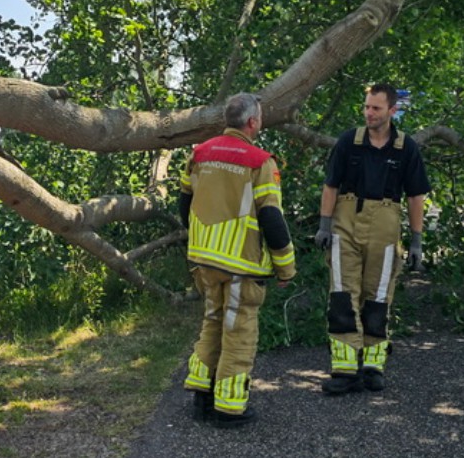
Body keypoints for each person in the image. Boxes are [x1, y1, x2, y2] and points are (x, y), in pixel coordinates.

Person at [179, 92, 296, 427]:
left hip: (205, 259)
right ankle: (229, 409)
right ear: (252, 122)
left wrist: (198, 239)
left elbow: (184, 203)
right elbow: (272, 218)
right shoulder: (260, 162)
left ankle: (202, 396)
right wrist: (285, 267)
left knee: (212, 323)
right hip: (240, 264)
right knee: (238, 332)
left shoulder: (200, 153)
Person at [314, 82, 430, 395]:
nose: (369, 113)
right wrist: (325, 225)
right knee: (342, 292)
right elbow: (330, 186)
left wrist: (416, 241)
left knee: (377, 296)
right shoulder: (348, 142)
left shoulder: (406, 148)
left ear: (392, 111)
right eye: (366, 107)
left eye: (376, 108)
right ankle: (345, 369)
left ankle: (373, 367)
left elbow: (416, 196)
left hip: (386, 223)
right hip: (346, 221)